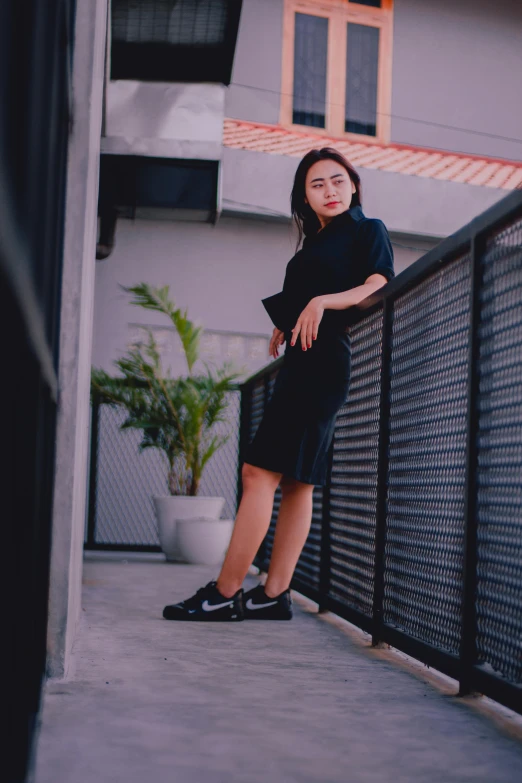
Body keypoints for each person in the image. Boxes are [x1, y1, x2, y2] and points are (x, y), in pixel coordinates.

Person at [163, 147, 395, 622]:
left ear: (352, 185)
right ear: (304, 198)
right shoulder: (314, 244)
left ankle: (225, 593)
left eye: (337, 180)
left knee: (259, 473)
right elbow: (305, 293)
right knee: (295, 482)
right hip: (305, 360)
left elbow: (378, 282)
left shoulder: (367, 229)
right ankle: (273, 594)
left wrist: (321, 303)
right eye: (317, 185)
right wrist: (289, 317)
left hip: (324, 363)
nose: (329, 191)